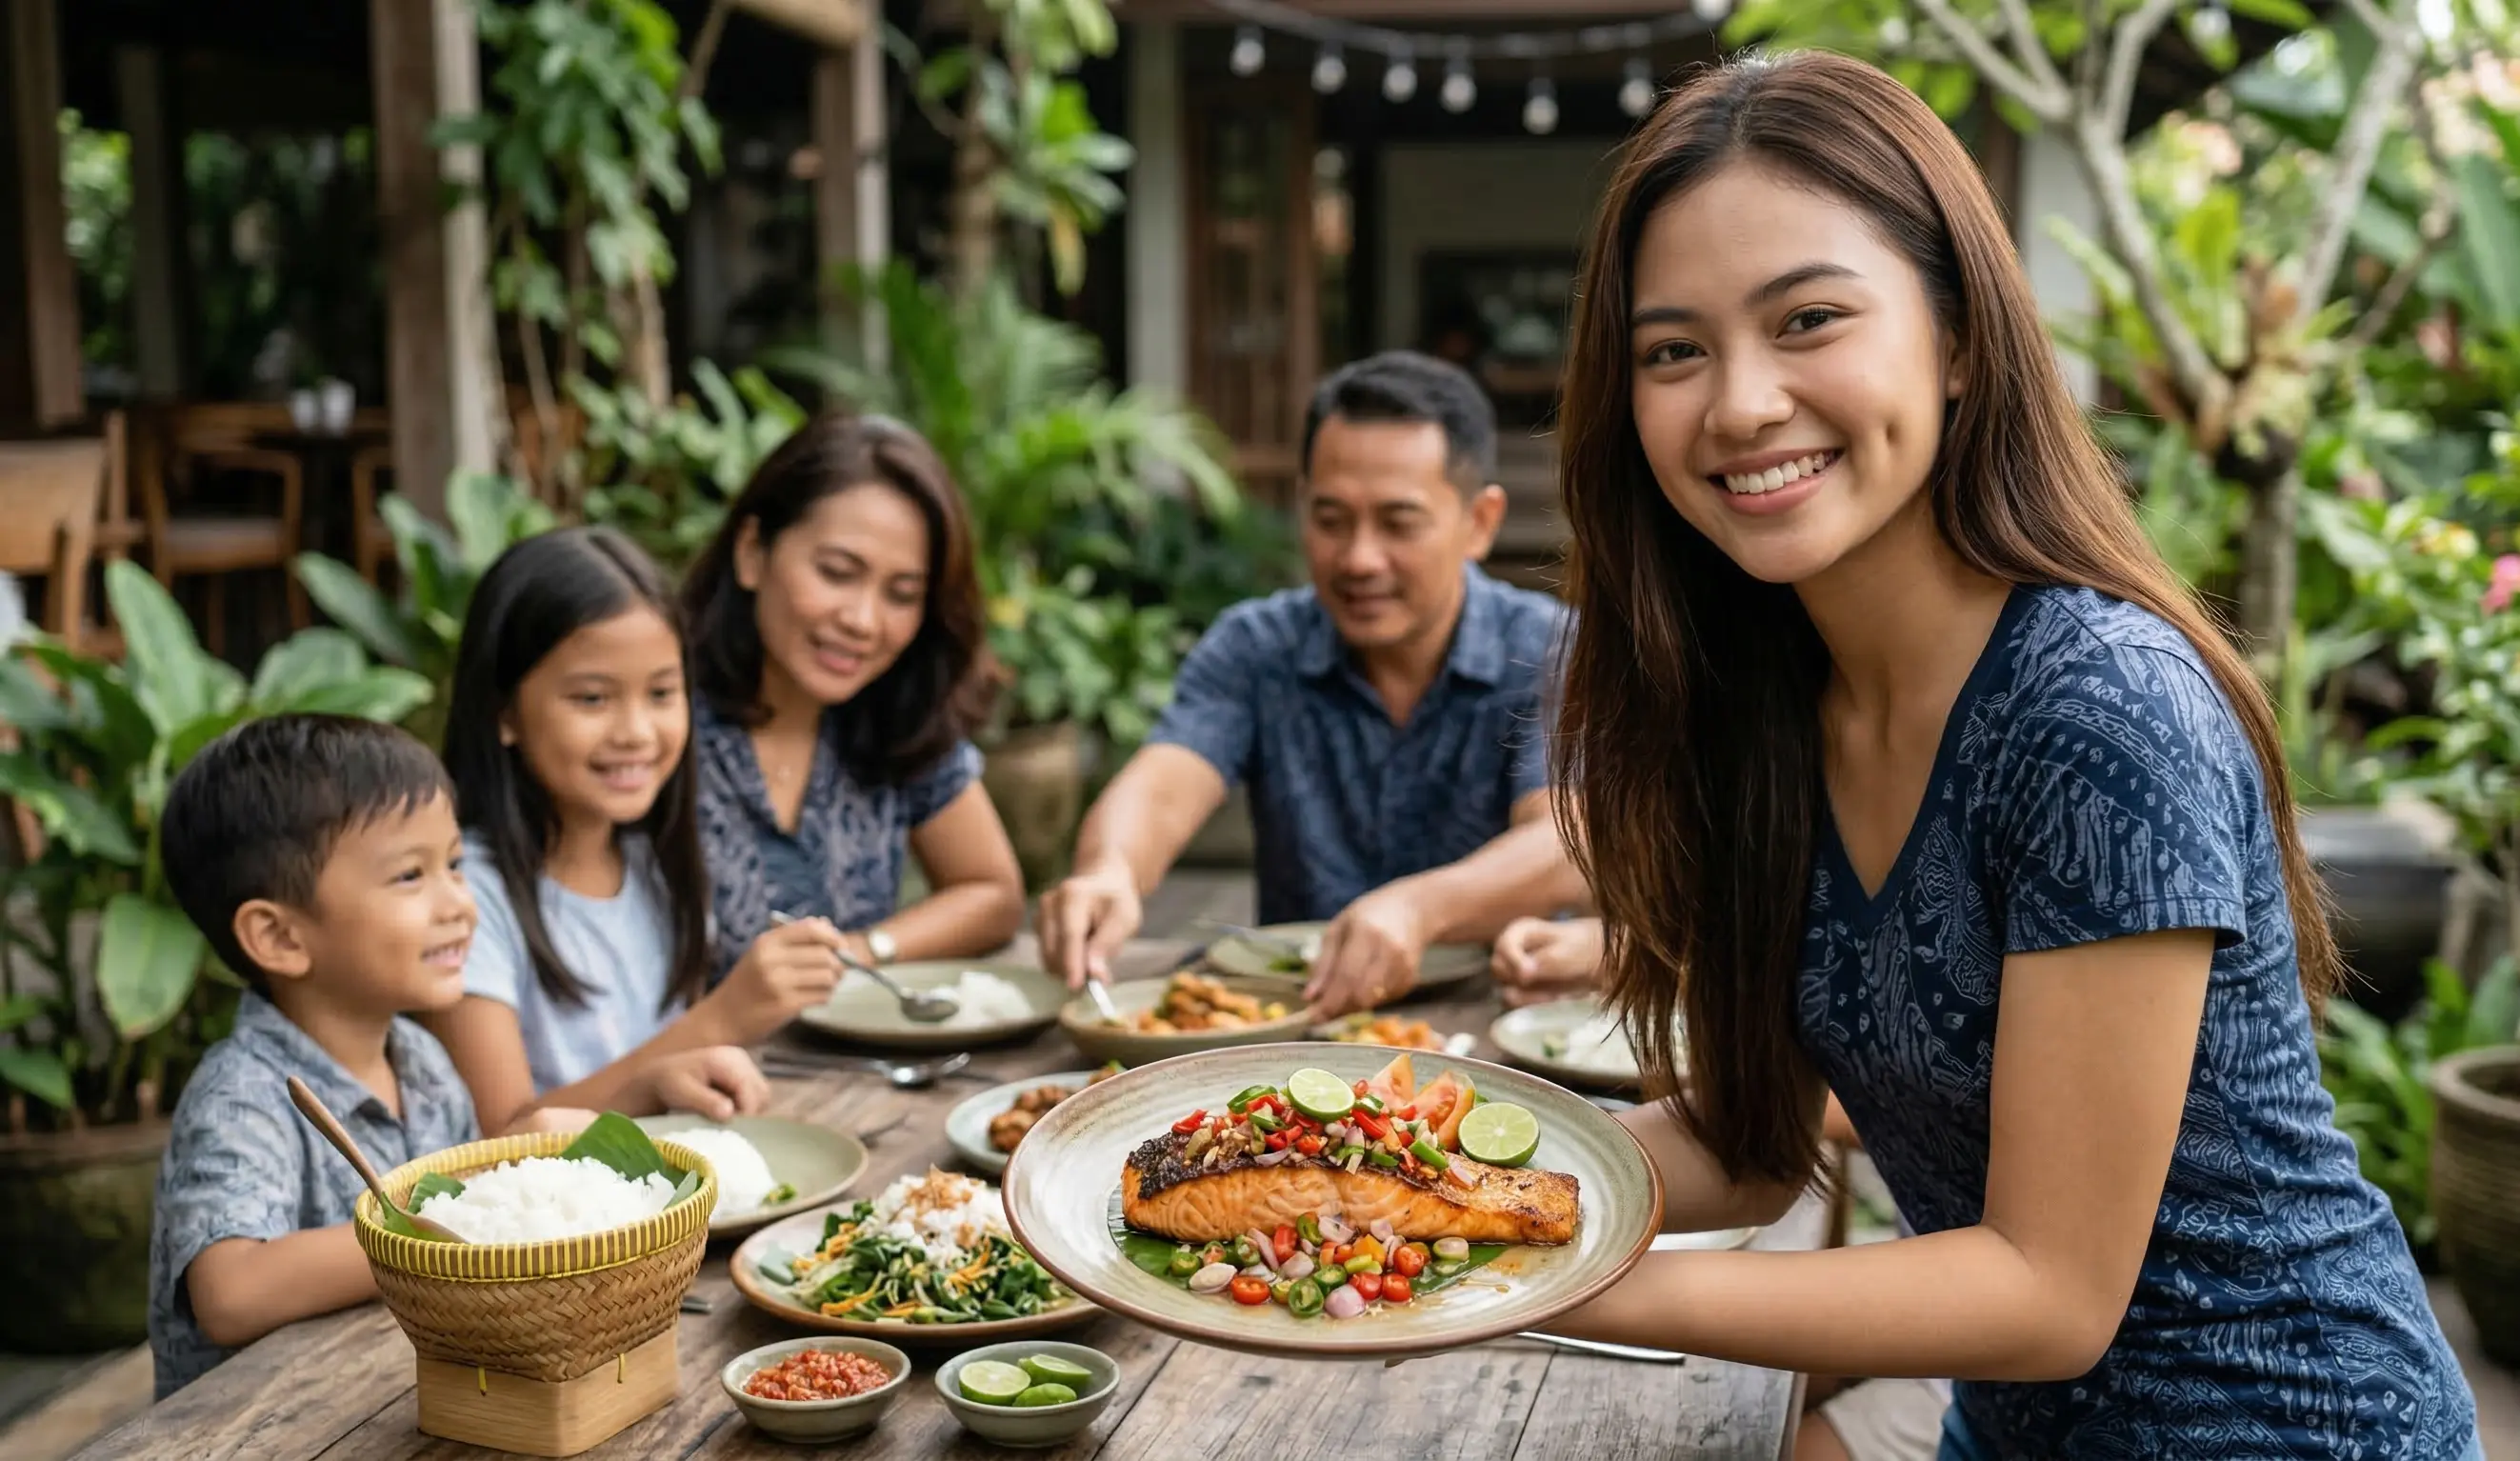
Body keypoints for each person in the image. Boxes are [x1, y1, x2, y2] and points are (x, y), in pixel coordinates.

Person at [1542, 51, 2477, 1459]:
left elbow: (2048, 1290)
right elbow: (1749, 1142)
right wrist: (1424, 1181)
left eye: (1806, 319)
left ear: (1960, 336)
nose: (1737, 403)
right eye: (1673, 350)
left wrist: (1554, 1284)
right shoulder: (1773, 710)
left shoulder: (2097, 707)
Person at [1039, 350, 1586, 1016]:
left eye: (1397, 522)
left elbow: (1565, 838)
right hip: (1294, 1025)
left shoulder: (1551, 648)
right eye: (1330, 520)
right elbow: (1161, 788)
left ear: (1479, 523)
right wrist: (1109, 872)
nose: (1358, 558)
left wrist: (1420, 908)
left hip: (1502, 1016)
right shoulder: (1255, 646)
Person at [145, 716, 597, 1398]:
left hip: (390, 1399)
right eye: (411, 875)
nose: (459, 905)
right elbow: (231, 1291)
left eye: (455, 865)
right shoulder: (245, 1094)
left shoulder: (421, 1058)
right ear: (278, 936)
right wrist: (472, 1203)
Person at [426, 527, 820, 1134]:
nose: (636, 731)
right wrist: (717, 1024)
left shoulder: (655, 866)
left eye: (662, 693)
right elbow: (501, 1136)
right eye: (592, 699)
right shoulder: (466, 901)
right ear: (504, 712)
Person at [681, 410, 1025, 978]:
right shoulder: (653, 717)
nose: (864, 621)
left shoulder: (895, 708)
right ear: (751, 552)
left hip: (851, 1068)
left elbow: (991, 892)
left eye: (902, 593)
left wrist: (861, 954)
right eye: (838, 572)